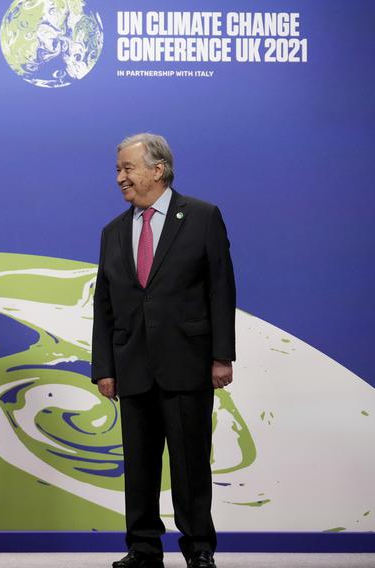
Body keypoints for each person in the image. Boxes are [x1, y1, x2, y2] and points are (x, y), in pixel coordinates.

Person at [91, 133, 236, 568]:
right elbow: (105, 304)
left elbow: (220, 290)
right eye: (117, 169)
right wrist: (104, 367)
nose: (120, 178)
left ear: (158, 170)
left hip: (187, 362)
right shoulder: (113, 231)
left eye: (127, 168)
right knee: (138, 465)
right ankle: (143, 548)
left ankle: (199, 549)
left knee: (190, 464)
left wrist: (221, 355)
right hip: (132, 363)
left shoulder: (203, 217)